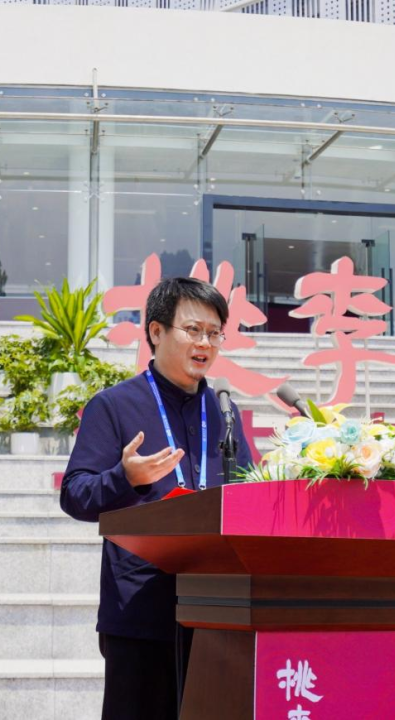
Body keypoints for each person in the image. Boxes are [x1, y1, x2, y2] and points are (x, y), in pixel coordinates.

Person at [60, 277, 253, 720]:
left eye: (214, 333)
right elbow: (75, 495)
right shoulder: (114, 406)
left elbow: (246, 491)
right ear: (156, 331)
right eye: (193, 330)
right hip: (141, 611)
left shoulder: (223, 412)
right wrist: (125, 477)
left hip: (219, 609)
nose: (205, 343)